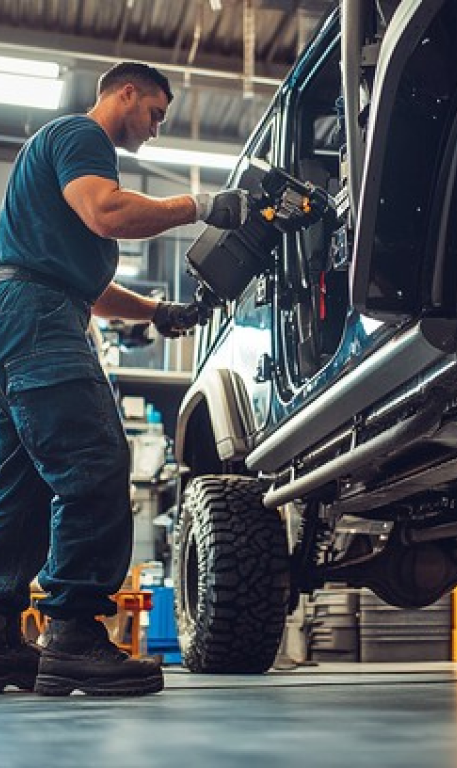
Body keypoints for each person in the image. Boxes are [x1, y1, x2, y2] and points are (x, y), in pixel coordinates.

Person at [0, 61, 248, 697]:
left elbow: (89, 282)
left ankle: (2, 642)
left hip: (20, 313)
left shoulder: (49, 160)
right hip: (39, 318)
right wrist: (203, 204)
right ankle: (74, 636)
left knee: (20, 488)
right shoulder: (81, 137)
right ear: (126, 92)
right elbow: (107, 214)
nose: (157, 129)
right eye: (156, 113)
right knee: (95, 462)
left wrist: (160, 312)